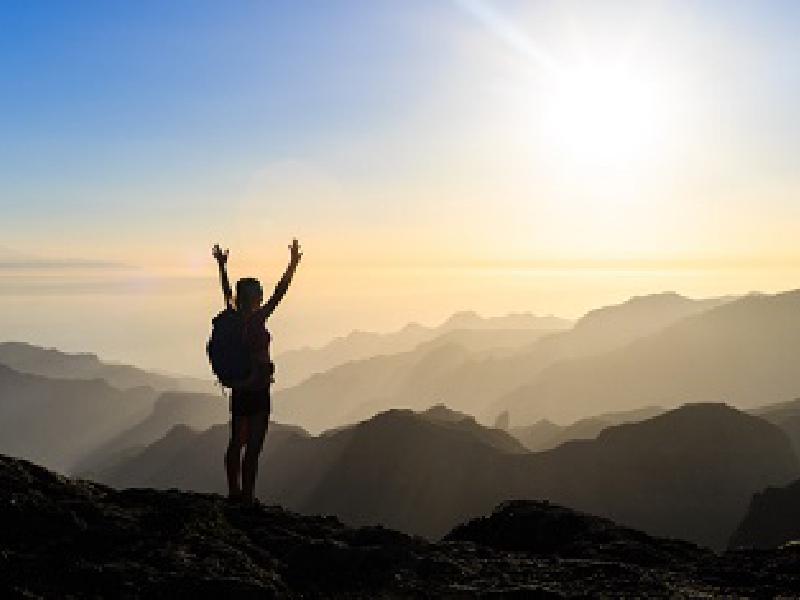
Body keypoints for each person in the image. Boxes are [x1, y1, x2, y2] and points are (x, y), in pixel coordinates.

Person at [212, 239, 302, 504]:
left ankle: (234, 493)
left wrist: (222, 267)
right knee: (253, 447)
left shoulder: (232, 316)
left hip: (240, 388)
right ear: (257, 297)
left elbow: (226, 293)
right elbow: (280, 292)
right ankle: (248, 498)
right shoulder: (258, 318)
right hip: (259, 388)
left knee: (236, 443)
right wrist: (293, 264)